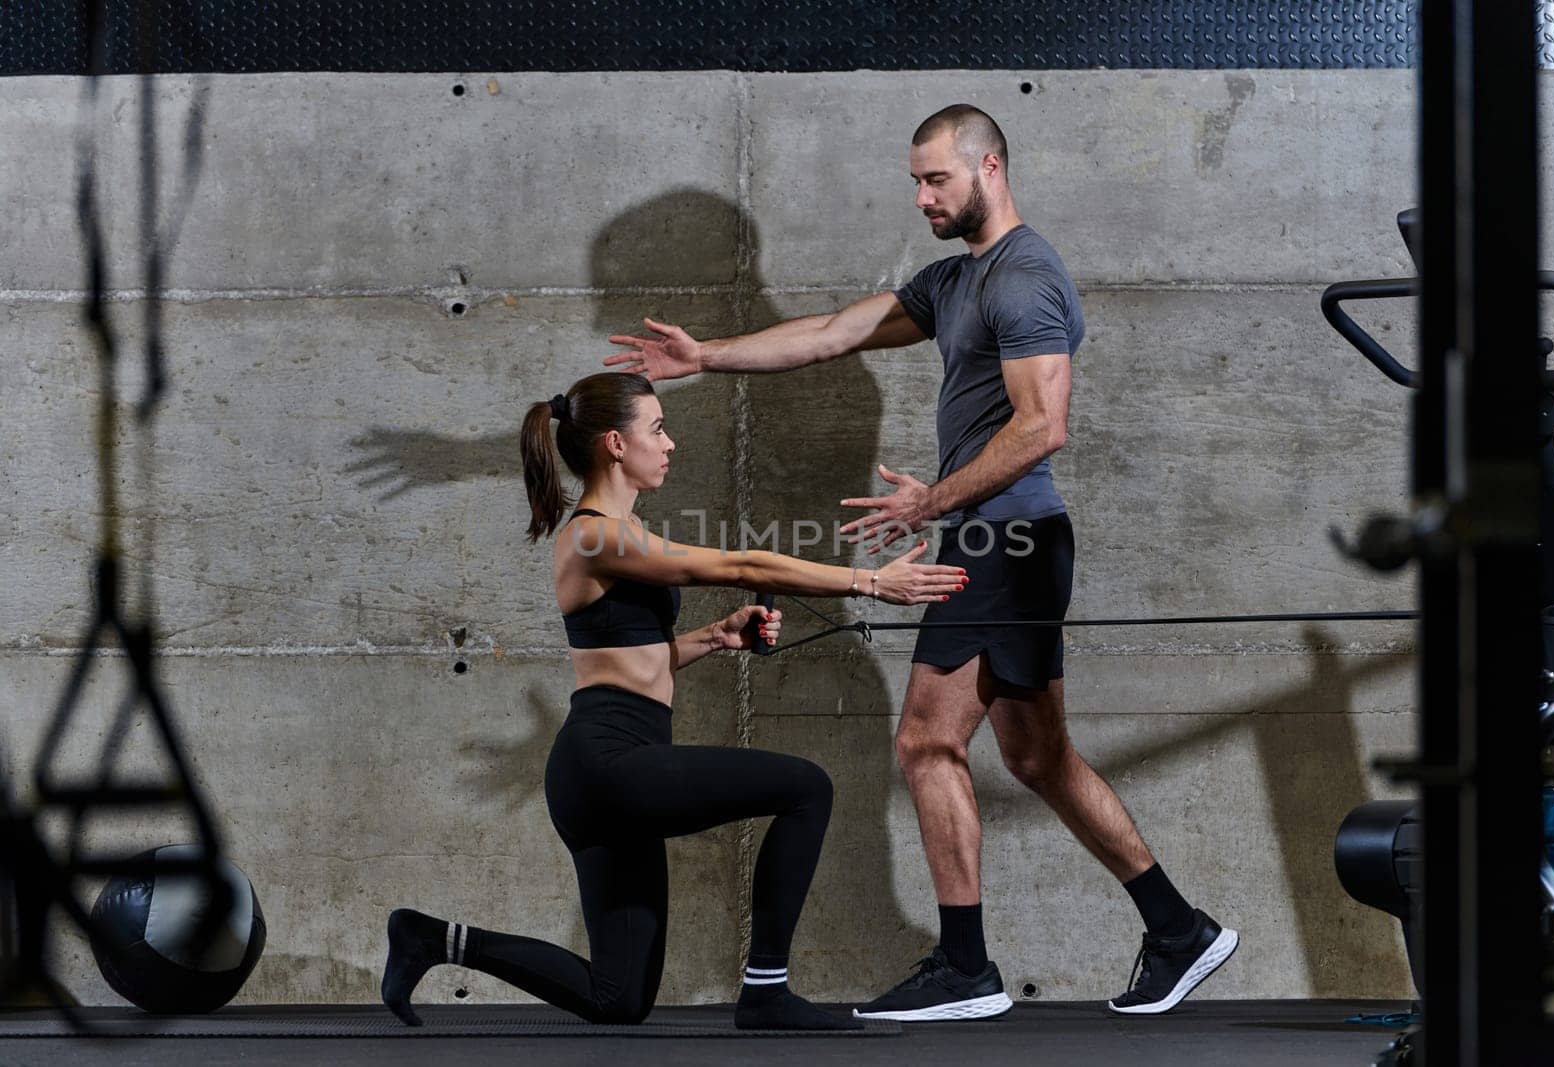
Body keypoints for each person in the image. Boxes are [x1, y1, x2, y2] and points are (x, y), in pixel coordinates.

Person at [605, 104, 1237, 1020]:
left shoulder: (1025, 280)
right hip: (1000, 540)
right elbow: (832, 331)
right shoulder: (956, 281)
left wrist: (931, 502)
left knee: (925, 741)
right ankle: (1179, 930)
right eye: (915, 180)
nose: (921, 196)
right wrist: (706, 357)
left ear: (989, 168)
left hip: (1001, 541)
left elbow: (1044, 426)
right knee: (1040, 756)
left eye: (936, 178)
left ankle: (968, 969)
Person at [381, 371, 967, 1030]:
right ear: (614, 443)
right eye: (656, 429)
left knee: (619, 997)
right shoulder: (598, 536)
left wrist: (716, 637)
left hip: (607, 772)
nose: (670, 444)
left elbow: (624, 661)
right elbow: (741, 565)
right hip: (605, 767)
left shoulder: (612, 536)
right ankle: (767, 988)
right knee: (806, 787)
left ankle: (432, 938)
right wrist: (868, 580)